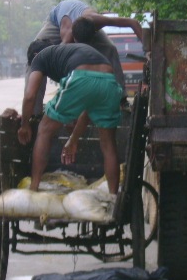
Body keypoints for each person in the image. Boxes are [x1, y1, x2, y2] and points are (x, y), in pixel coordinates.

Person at [17, 42, 123, 195]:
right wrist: (73, 139)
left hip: (80, 75)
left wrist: (24, 125)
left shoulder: (39, 58)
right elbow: (88, 107)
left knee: (44, 129)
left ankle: (34, 188)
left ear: (34, 56)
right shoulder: (68, 53)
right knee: (108, 143)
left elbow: (29, 96)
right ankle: (114, 197)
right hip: (109, 81)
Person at [29, 0, 143, 104]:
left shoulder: (99, 21)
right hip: (56, 22)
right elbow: (61, 61)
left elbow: (133, 22)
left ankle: (120, 98)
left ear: (94, 32)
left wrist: (148, 49)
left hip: (85, 20)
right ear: (74, 38)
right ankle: (34, 112)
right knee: (37, 57)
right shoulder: (67, 32)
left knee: (110, 48)